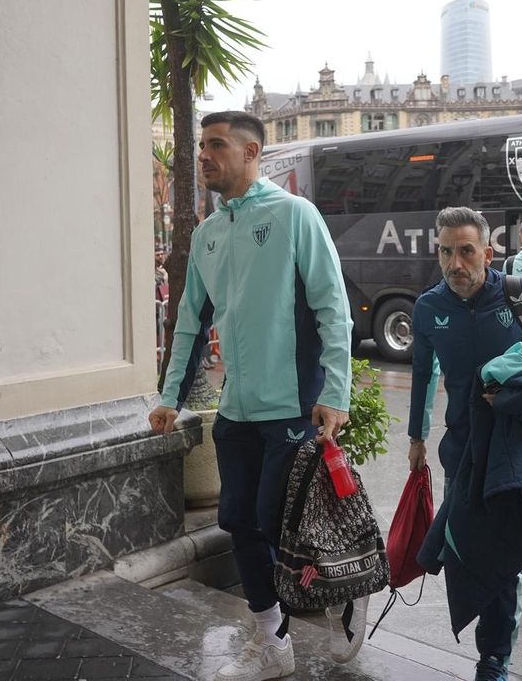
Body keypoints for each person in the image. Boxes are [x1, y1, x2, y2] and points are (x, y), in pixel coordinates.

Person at [148, 111, 355, 681]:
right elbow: (189, 322)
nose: (204, 156)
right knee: (239, 520)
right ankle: (273, 642)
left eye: (217, 145)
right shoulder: (208, 234)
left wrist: (336, 392)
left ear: (251, 152)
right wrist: (170, 396)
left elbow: (332, 307)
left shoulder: (294, 215)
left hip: (293, 403)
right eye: (202, 146)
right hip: (236, 407)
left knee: (280, 521)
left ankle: (342, 595)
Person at [408, 206, 522, 681]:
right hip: (462, 448)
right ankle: (491, 649)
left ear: (487, 253)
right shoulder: (429, 308)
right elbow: (423, 373)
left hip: (517, 447)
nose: (455, 263)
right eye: (446, 252)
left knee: (502, 553)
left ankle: (493, 661)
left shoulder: (520, 296)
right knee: (466, 547)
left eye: (466, 251)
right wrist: (417, 437)